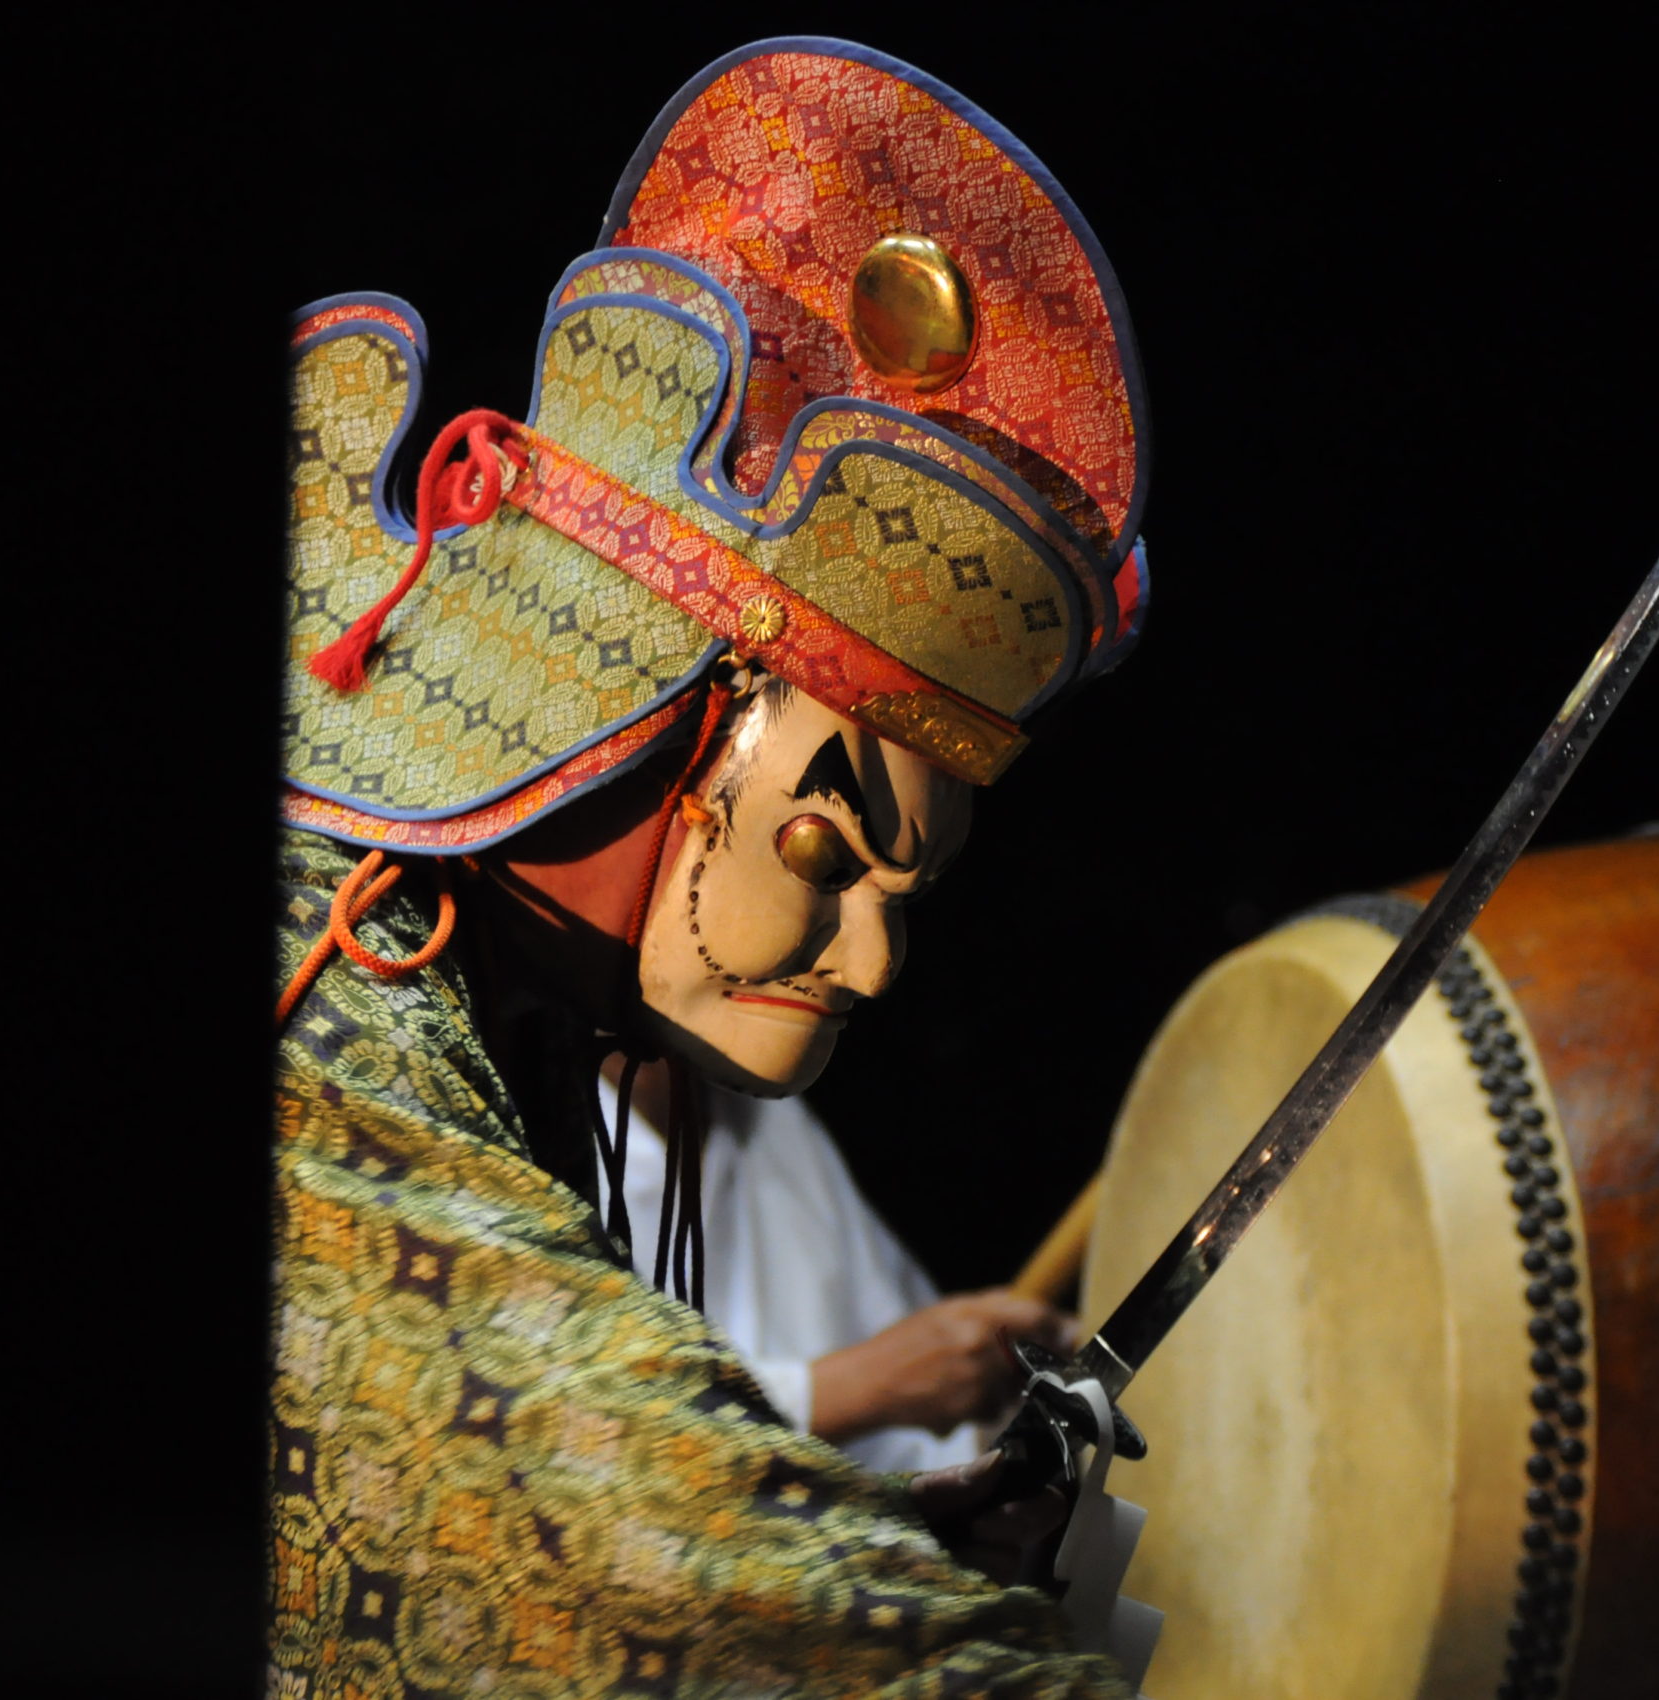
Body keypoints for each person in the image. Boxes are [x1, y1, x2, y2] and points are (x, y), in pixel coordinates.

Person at [271, 37, 1153, 1693]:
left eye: (911, 899)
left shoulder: (478, 1003)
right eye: (831, 846)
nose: (875, 962)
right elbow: (621, 1532)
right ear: (673, 730)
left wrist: (876, 1538)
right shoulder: (337, 1037)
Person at [601, 1056, 1078, 1475]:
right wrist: (859, 1385)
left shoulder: (766, 1110)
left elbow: (921, 1437)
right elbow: (592, 1441)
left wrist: (1007, 1423)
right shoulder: (534, 1149)